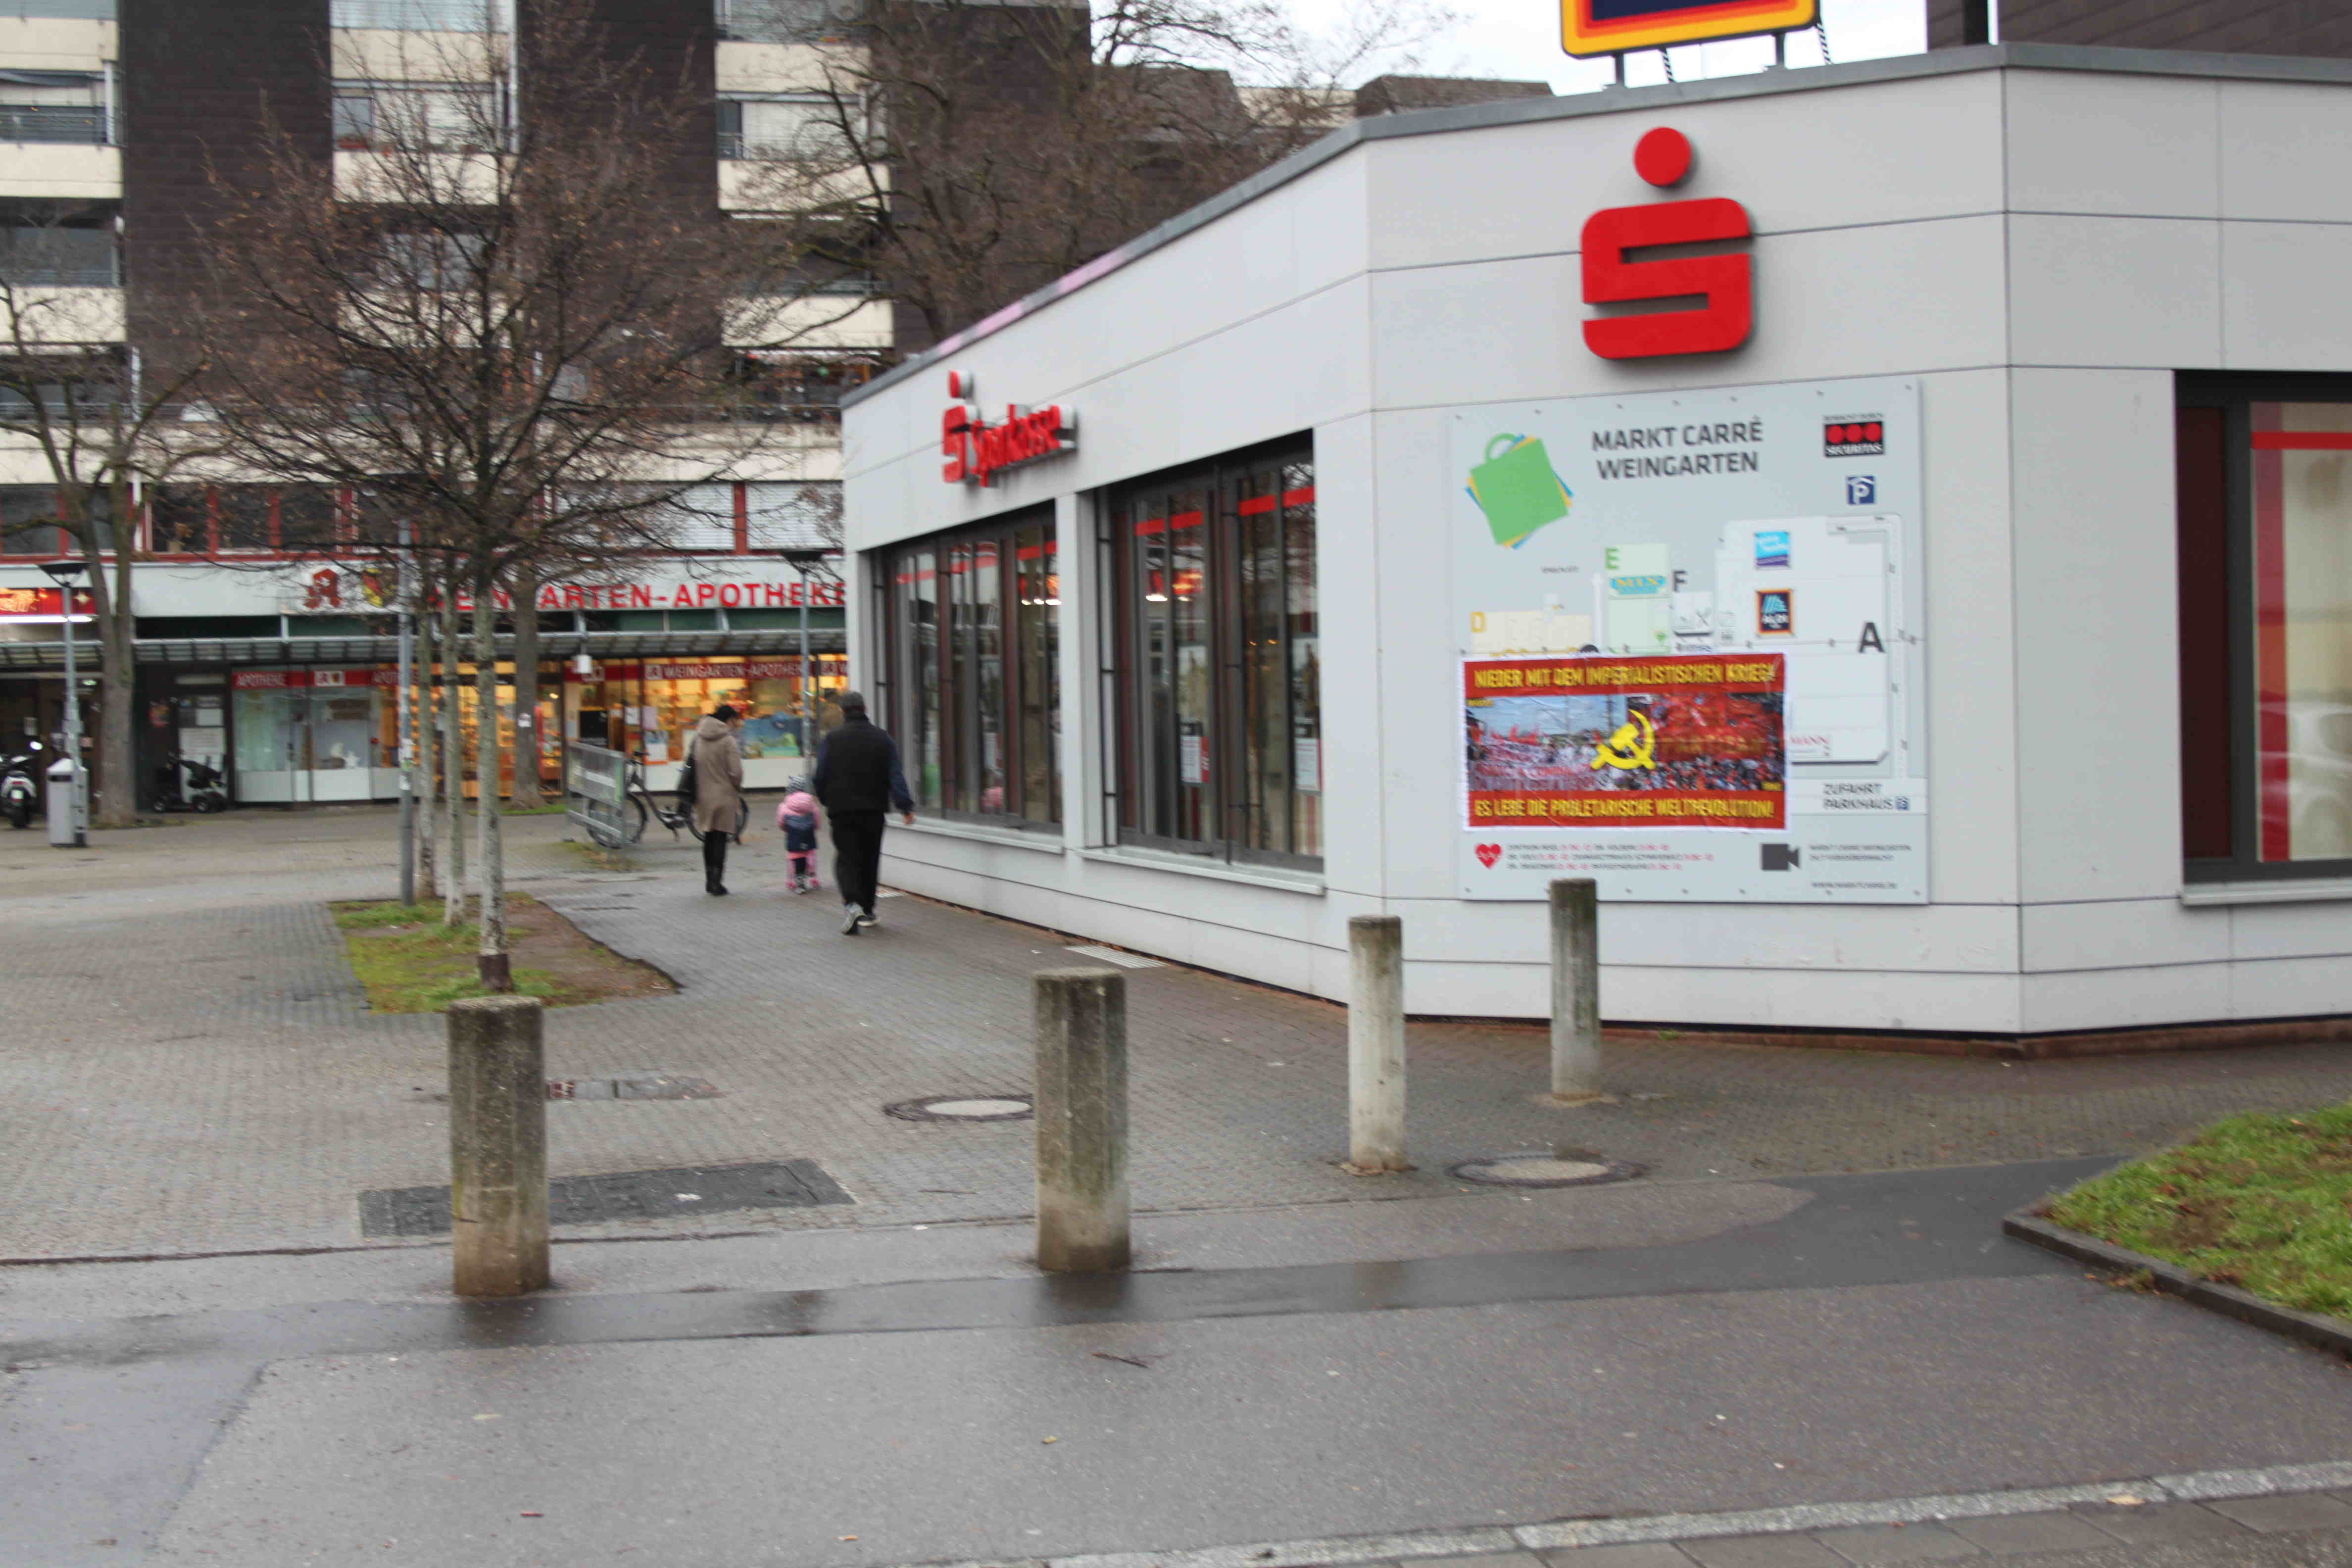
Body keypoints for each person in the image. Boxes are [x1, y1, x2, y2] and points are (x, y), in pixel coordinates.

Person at [810, 689, 913, 934]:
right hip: (873, 810)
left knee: (847, 858)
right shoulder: (882, 738)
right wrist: (905, 806)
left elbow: (820, 776)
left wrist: (827, 800)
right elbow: (895, 775)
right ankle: (867, 909)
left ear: (843, 711)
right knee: (869, 858)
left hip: (842, 810)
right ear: (865, 710)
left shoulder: (832, 740)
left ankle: (852, 904)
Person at [690, 704, 746, 896]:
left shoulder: (698, 737)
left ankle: (709, 880)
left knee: (708, 837)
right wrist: (737, 786)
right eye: (734, 720)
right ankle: (717, 882)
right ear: (728, 720)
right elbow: (736, 772)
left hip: (703, 795)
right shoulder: (728, 741)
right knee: (720, 838)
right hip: (724, 795)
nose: (735, 724)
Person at [778, 783, 823, 894]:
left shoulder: (784, 806)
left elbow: (781, 823)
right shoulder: (811, 804)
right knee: (808, 855)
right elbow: (817, 820)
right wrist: (814, 828)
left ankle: (800, 882)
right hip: (808, 835)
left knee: (797, 858)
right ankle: (811, 876)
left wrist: (786, 829)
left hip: (793, 836)